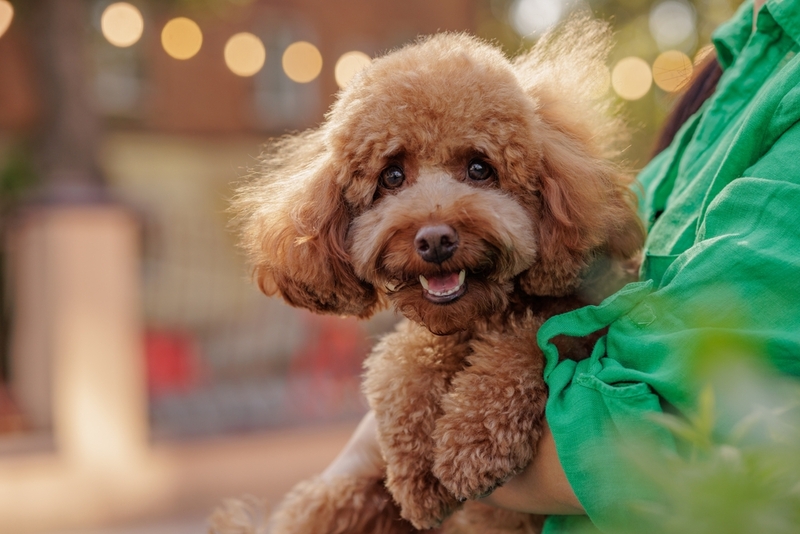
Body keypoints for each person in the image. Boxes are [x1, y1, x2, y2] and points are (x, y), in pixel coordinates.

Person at [322, 0, 800, 531]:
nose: (434, 228)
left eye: (479, 168)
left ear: (542, 187)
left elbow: (701, 427)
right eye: (392, 178)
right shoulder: (733, 59)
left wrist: (378, 446)